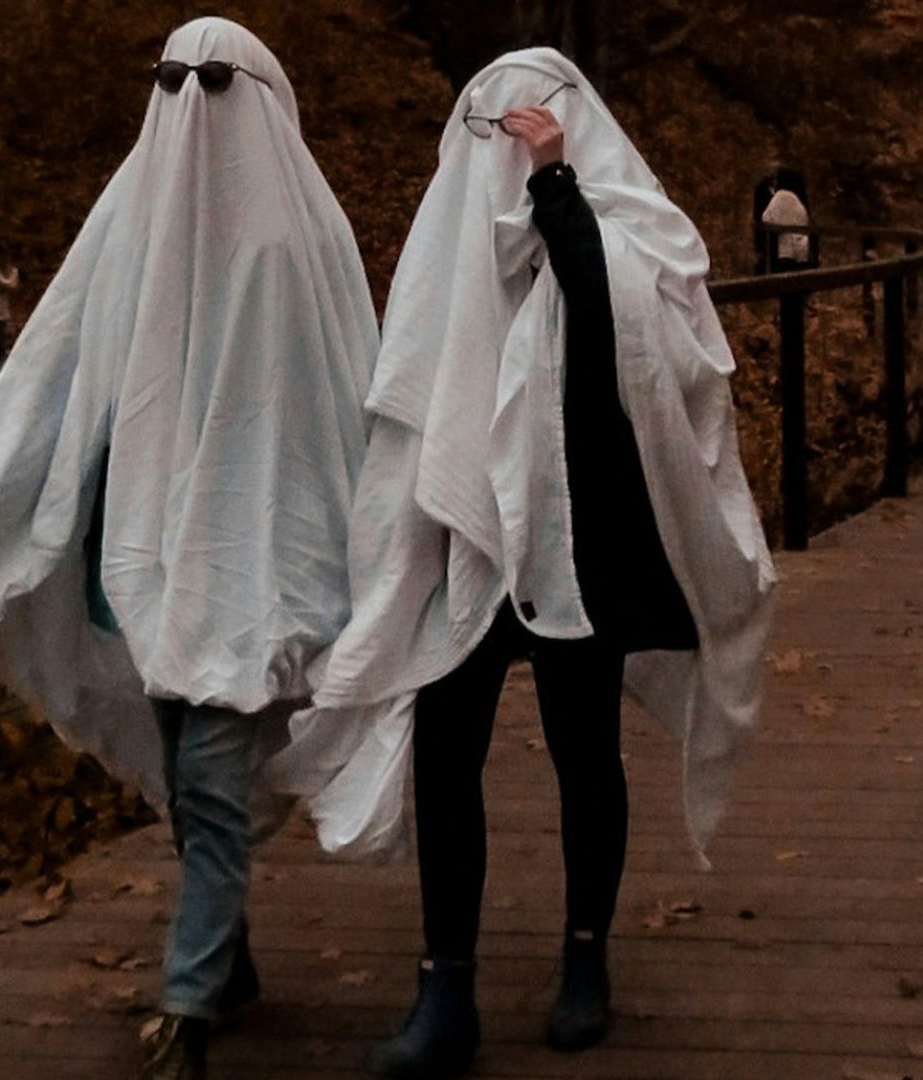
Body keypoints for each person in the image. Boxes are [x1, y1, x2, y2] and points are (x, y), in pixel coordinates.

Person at [0, 18, 380, 1080]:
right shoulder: (132, 225)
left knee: (206, 772)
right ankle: (225, 957)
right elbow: (61, 370)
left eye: (209, 80)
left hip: (255, 563)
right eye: (168, 79)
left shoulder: (295, 240)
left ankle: (189, 1005)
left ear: (254, 91)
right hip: (138, 557)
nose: (189, 103)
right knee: (186, 769)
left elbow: (334, 393)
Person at [276, 48, 776, 1080]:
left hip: (574, 530)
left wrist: (557, 186)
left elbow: (623, 338)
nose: (507, 136)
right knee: (445, 749)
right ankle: (443, 988)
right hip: (463, 533)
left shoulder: (629, 221)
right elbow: (417, 365)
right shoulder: (449, 238)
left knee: (583, 747)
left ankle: (586, 960)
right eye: (492, 124)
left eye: (532, 119)